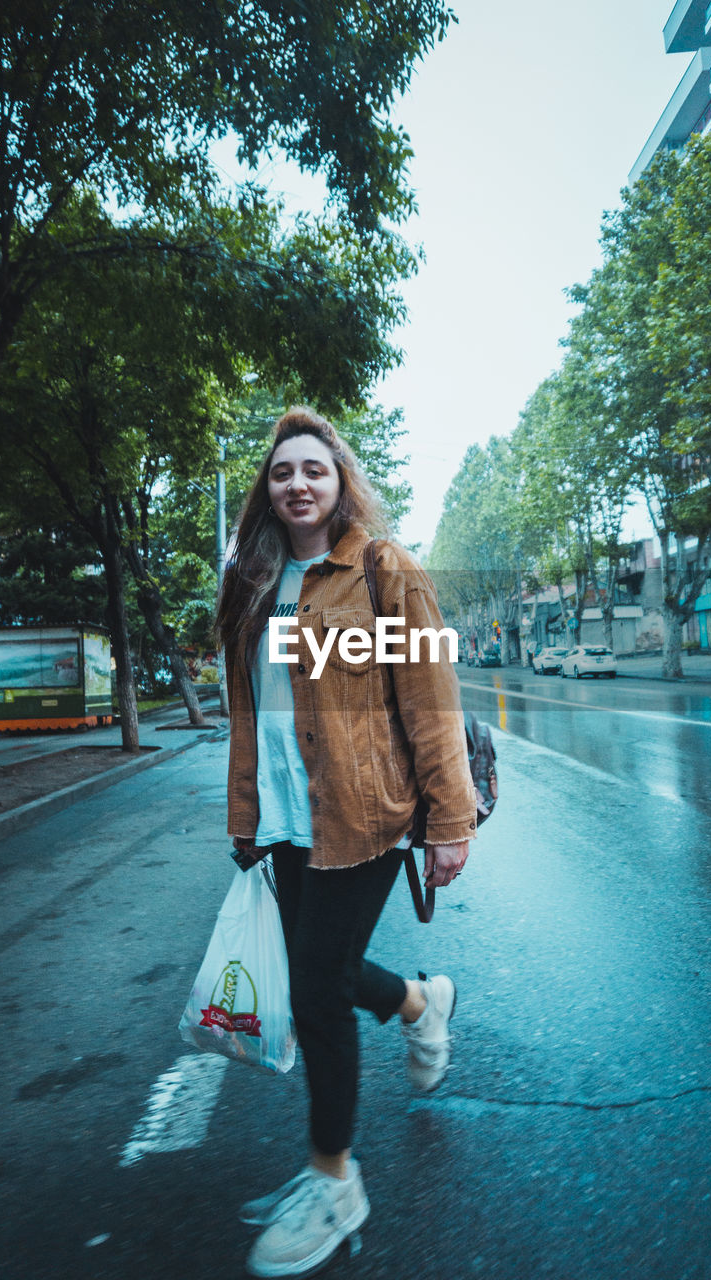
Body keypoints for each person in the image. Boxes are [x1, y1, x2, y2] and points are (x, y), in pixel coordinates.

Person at [216, 407, 477, 1278]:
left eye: (313, 471)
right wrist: (244, 818)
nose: (297, 483)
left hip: (364, 817)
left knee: (317, 994)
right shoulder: (251, 584)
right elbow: (247, 716)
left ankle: (335, 1181)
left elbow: (430, 701)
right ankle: (417, 1003)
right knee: (311, 977)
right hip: (288, 821)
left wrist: (448, 821)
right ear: (269, 487)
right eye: (282, 471)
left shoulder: (382, 570)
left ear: (337, 483)